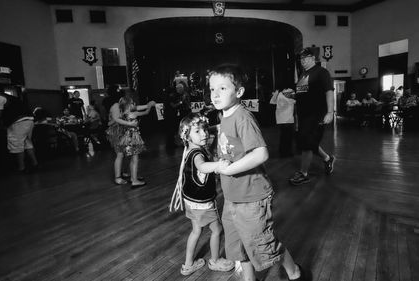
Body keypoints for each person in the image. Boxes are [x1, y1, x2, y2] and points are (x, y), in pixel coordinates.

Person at [209, 64, 304, 281]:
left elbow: (261, 154)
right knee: (237, 248)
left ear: (239, 92)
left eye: (222, 88)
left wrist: (228, 169)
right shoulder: (224, 115)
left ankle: (295, 273)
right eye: (212, 88)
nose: (215, 94)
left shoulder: (242, 117)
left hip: (252, 198)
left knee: (265, 246)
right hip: (232, 197)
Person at [169, 113, 234, 276]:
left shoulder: (189, 148)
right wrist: (218, 165)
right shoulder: (198, 154)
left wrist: (216, 127)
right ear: (186, 135)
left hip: (191, 201)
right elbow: (202, 166)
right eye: (198, 131)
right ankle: (215, 261)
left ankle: (188, 265)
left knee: (196, 231)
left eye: (205, 129)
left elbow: (202, 131)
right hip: (203, 204)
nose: (204, 134)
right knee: (217, 230)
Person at [284, 47, 335, 185]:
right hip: (303, 115)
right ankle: (327, 158)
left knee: (307, 143)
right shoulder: (303, 74)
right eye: (301, 59)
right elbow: (304, 93)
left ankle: (303, 173)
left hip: (317, 114)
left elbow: (329, 91)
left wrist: (330, 112)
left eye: (305, 58)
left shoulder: (321, 72)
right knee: (308, 142)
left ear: (313, 58)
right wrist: (293, 95)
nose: (303, 61)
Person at [106, 92, 155, 187]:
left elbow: (136, 108)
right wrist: (130, 124)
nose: (134, 104)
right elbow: (115, 119)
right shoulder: (116, 106)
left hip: (125, 133)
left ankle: (132, 175)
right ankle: (119, 177)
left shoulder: (125, 108)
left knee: (129, 155)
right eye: (132, 102)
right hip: (121, 133)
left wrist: (148, 105)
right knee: (122, 155)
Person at [0, 88, 38, 172]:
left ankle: (21, 167)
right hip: (29, 120)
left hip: (18, 121)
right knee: (27, 143)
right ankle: (34, 164)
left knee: (17, 145)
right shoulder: (10, 97)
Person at [270, 89, 296, 157]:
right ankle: (287, 153)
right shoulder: (291, 91)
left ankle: (282, 152)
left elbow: (272, 101)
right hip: (288, 117)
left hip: (280, 117)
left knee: (283, 136)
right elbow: (293, 101)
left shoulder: (278, 91)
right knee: (288, 136)